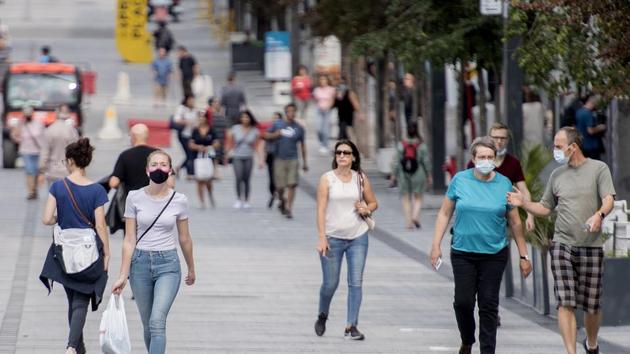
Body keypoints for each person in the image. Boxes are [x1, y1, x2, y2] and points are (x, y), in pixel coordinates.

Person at [507, 127, 615, 354]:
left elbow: (608, 199)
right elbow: (545, 208)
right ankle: (570, 351)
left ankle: (592, 343)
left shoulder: (598, 169)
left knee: (592, 305)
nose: (554, 150)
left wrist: (599, 215)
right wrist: (524, 203)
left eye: (558, 146)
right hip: (562, 245)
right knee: (565, 302)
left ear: (572, 147)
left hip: (591, 246)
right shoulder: (557, 175)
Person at [430, 136, 532, 354]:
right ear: (473, 158)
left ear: (495, 159)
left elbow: (515, 221)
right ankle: (467, 340)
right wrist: (435, 245)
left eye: (489, 157)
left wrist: (524, 256)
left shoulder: (504, 183)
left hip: (494, 254)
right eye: (481, 156)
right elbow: (445, 213)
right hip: (463, 252)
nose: (486, 160)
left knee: (488, 305)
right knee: (463, 302)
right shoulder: (460, 180)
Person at [112, 150, 195, 354]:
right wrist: (123, 274)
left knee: (157, 321)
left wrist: (191, 267)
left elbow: (184, 237)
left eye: (164, 164)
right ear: (147, 170)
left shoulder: (179, 200)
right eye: (155, 164)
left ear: (170, 170)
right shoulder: (134, 197)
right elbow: (129, 239)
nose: (159, 168)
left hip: (168, 264)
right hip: (139, 264)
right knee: (148, 324)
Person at [40, 138, 110, 354]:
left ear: (70, 161)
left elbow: (46, 218)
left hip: (64, 252)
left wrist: (60, 218)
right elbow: (100, 224)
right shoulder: (97, 190)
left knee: (73, 300)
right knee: (81, 300)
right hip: (88, 252)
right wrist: (107, 252)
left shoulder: (58, 187)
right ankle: (73, 347)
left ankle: (77, 348)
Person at [314, 139, 377, 340]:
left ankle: (351, 326)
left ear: (354, 157)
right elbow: (321, 210)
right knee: (330, 283)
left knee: (355, 282)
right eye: (339, 152)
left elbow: (373, 202)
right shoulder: (327, 179)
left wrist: (367, 209)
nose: (342, 156)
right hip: (333, 238)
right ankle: (323, 314)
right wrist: (322, 238)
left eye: (346, 153)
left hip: (357, 236)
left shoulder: (360, 178)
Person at [466, 122, 536, 232]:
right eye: (495, 138)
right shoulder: (476, 162)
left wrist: (530, 216)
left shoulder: (513, 163)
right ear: (489, 138)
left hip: (505, 216)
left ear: (507, 140)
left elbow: (524, 190)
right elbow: (468, 189)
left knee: (503, 247)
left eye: (503, 138)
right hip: (480, 217)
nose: (499, 141)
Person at [108, 124, 161, 234]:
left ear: (133, 136)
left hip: (132, 206)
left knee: (130, 239)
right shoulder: (158, 155)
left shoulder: (125, 155)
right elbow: (170, 183)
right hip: (154, 205)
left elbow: (114, 182)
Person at [265, 103, 308, 219]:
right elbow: (265, 135)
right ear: (285, 112)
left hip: (293, 158)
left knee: (292, 184)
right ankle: (282, 200)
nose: (291, 113)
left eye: (293, 111)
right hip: (279, 158)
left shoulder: (299, 128)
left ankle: (289, 208)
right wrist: (275, 134)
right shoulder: (278, 124)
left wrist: (305, 163)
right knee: (280, 186)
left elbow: (303, 145)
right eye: (289, 111)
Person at [390, 125, 432, 229]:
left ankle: (408, 223)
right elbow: (426, 161)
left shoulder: (401, 144)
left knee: (405, 198)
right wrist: (429, 174)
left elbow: (396, 161)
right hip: (419, 173)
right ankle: (415, 216)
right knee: (418, 197)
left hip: (404, 174)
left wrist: (394, 174)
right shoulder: (421, 145)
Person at [225, 110, 263, 209]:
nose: (245, 119)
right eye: (243, 117)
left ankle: (246, 200)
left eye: (247, 117)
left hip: (249, 156)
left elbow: (258, 146)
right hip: (237, 156)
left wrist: (260, 160)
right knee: (238, 177)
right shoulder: (235, 129)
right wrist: (226, 154)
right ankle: (238, 199)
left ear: (250, 119)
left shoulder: (255, 130)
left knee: (246, 179)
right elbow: (230, 143)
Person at [39, 105, 79, 185]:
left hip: (52, 171)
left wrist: (42, 171)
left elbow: (45, 153)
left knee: (52, 196)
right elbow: (77, 153)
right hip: (68, 172)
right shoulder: (72, 132)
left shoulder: (50, 130)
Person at [11, 106, 45, 200]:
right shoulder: (20, 124)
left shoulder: (38, 123)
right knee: (30, 171)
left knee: (36, 171)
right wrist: (20, 126)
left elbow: (44, 136)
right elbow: (14, 135)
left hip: (37, 151)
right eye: (26, 115)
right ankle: (30, 192)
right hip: (26, 151)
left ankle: (34, 189)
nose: (28, 116)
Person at [188, 116, 220, 208]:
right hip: (197, 157)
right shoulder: (195, 130)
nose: (201, 119)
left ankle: (210, 195)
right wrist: (198, 147)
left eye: (203, 117)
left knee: (208, 180)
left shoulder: (211, 130)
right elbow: (190, 144)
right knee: (199, 180)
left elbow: (217, 143)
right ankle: (202, 201)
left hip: (209, 157)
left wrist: (209, 147)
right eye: (200, 117)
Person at [173, 95, 198, 178]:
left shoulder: (194, 110)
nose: (192, 102)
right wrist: (186, 122)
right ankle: (190, 173)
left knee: (191, 154)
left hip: (192, 135)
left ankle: (180, 168)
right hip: (183, 134)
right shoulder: (182, 108)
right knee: (189, 154)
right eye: (190, 100)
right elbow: (176, 119)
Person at [263, 111, 284, 208]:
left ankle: (280, 197)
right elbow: (265, 136)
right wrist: (275, 134)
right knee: (272, 177)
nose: (275, 120)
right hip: (271, 155)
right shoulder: (270, 128)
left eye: (277, 118)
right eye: (273, 118)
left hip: (281, 155)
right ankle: (273, 194)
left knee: (280, 177)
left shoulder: (284, 127)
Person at [575, 95, 606, 160]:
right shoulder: (588, 114)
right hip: (591, 146)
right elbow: (590, 131)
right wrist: (600, 127)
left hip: (582, 145)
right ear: (594, 103)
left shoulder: (579, 112)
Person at [312, 74, 336, 154]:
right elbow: (315, 100)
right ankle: (321, 141)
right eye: (321, 80)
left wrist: (328, 107)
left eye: (324, 80)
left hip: (327, 110)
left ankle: (324, 145)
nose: (322, 81)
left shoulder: (331, 89)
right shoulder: (317, 90)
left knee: (326, 129)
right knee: (319, 128)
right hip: (319, 110)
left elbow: (332, 100)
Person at [335, 75, 363, 141]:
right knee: (342, 132)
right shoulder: (337, 92)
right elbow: (334, 103)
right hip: (341, 115)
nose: (341, 85)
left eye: (342, 83)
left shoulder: (349, 92)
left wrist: (360, 113)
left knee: (347, 132)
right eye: (340, 83)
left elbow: (355, 103)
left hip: (348, 115)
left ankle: (350, 146)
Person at [207, 97, 228, 173]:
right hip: (213, 136)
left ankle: (215, 170)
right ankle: (215, 171)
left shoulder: (222, 112)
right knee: (214, 154)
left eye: (218, 102)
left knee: (219, 154)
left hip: (221, 135)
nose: (217, 103)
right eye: (215, 102)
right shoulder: (208, 112)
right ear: (211, 103)